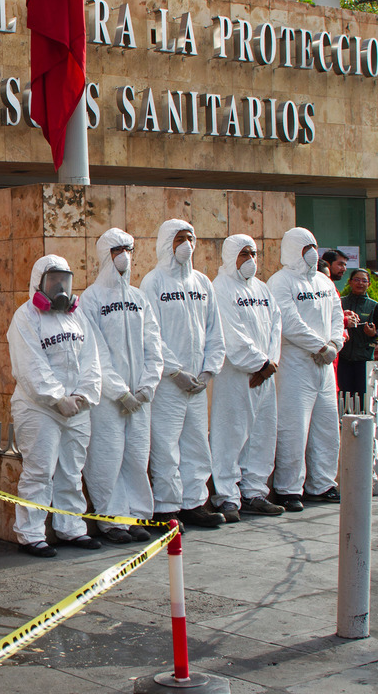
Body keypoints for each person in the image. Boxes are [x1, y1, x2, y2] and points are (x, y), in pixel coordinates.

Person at [8, 254, 102, 557]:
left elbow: (92, 360)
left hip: (75, 408)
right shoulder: (26, 317)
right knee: (39, 470)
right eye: (53, 281)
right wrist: (56, 398)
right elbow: (30, 365)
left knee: (72, 471)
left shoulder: (78, 317)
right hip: (39, 409)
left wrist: (83, 396)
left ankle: (71, 528)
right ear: (39, 283)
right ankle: (31, 534)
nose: (60, 287)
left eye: (64, 281)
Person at [140, 219, 226, 529]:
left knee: (196, 444)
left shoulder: (203, 283)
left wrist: (208, 370)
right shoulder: (153, 283)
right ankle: (166, 506)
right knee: (165, 444)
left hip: (198, 384)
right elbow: (151, 333)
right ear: (166, 242)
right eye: (180, 238)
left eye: (191, 237)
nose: (186, 243)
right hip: (168, 383)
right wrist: (174, 371)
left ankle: (194, 502)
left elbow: (215, 330)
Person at [78, 229, 162, 544]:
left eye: (128, 247)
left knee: (137, 456)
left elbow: (154, 345)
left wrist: (146, 387)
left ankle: (137, 514)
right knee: (107, 456)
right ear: (105, 255)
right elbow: (95, 351)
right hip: (109, 398)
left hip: (139, 397)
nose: (124, 254)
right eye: (117, 249)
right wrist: (118, 391)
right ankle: (111, 519)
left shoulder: (140, 298)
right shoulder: (91, 298)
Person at [268, 227, 345, 511]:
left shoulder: (325, 283)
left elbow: (337, 314)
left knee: (326, 427)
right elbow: (288, 321)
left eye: (314, 245)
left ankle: (322, 484)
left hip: (324, 364)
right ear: (291, 249)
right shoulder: (280, 282)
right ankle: (289, 489)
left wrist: (334, 343)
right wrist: (319, 347)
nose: (311, 252)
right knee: (294, 427)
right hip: (296, 363)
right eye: (305, 247)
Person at [209, 235, 285, 521]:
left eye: (253, 253)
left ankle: (255, 491)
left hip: (264, 375)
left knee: (262, 433)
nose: (250, 259)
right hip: (237, 374)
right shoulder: (221, 288)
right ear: (230, 256)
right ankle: (227, 496)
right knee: (231, 433)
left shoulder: (262, 289)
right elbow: (231, 334)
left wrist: (270, 363)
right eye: (243, 254)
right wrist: (259, 363)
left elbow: (276, 325)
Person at [336, 269, 378, 395]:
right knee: (344, 394)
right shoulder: (340, 302)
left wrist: (373, 333)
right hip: (343, 356)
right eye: (357, 280)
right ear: (350, 282)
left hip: (363, 358)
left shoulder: (373, 305)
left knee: (363, 394)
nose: (360, 283)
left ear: (369, 284)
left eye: (364, 281)